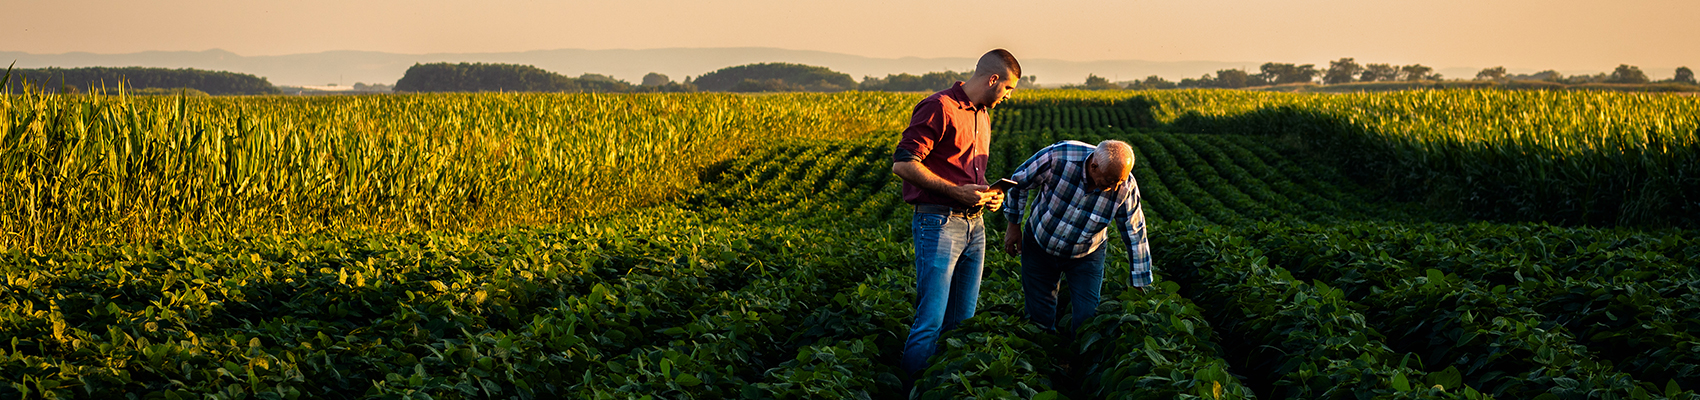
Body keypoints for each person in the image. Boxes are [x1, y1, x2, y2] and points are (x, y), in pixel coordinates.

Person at [891, 49, 1021, 380]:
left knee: (963, 320)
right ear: (993, 79)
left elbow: (967, 175)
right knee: (931, 319)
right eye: (1007, 89)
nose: (1007, 97)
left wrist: (988, 195)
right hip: (938, 222)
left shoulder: (982, 115)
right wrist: (955, 191)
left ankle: (946, 386)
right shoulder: (940, 107)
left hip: (974, 225)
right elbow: (903, 164)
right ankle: (912, 388)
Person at [1000, 139, 1152, 335]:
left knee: (1087, 316)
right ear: (1094, 166)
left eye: (1120, 180)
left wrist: (1138, 281)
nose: (1115, 186)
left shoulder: (1125, 186)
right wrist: (1013, 225)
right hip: (1040, 244)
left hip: (1086, 253)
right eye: (1109, 180)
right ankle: (1046, 355)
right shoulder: (1060, 157)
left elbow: (1135, 232)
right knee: (1039, 316)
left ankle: (1078, 359)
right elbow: (1018, 182)